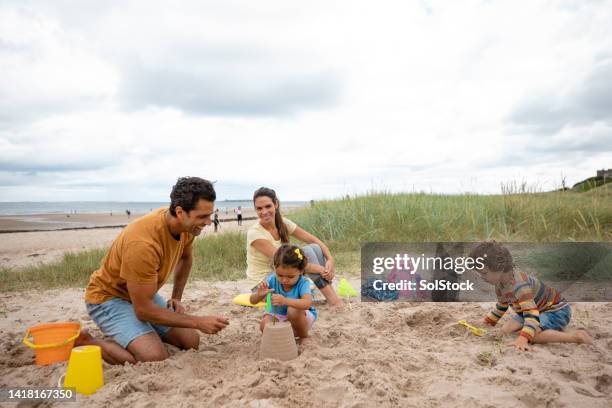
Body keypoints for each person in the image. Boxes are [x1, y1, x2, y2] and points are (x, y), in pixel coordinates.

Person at [77, 177, 230, 365]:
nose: (208, 222)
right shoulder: (142, 244)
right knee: (154, 357)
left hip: (141, 295)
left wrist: (176, 298)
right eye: (202, 217)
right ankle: (87, 341)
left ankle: (132, 335)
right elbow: (143, 310)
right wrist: (197, 321)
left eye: (209, 215)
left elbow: (185, 257)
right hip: (108, 298)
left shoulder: (186, 228)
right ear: (180, 212)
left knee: (191, 341)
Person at [469, 241, 593, 351]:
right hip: (531, 310)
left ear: (500, 268)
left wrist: (523, 339)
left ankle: (576, 337)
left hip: (555, 310)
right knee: (505, 331)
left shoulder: (519, 286)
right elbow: (502, 305)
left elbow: (531, 314)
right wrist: (488, 322)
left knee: (531, 336)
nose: (482, 277)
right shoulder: (499, 283)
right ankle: (536, 329)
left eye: (484, 273)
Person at [246, 187, 343, 307]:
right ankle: (334, 300)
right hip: (265, 286)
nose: (264, 212)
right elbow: (286, 262)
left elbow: (313, 239)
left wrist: (330, 260)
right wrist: (322, 270)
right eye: (259, 208)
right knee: (305, 252)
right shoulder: (255, 233)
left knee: (314, 247)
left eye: (268, 206)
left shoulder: (282, 223)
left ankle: (331, 295)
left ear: (276, 204)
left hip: (284, 276)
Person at [250, 244, 316, 339]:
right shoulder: (272, 279)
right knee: (264, 325)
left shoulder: (303, 283)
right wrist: (259, 295)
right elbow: (252, 301)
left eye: (290, 277)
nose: (284, 280)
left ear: (301, 271)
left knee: (292, 310)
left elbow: (307, 303)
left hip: (300, 321)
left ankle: (304, 337)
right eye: (280, 275)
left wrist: (285, 301)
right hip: (277, 317)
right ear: (274, 268)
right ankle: (284, 338)